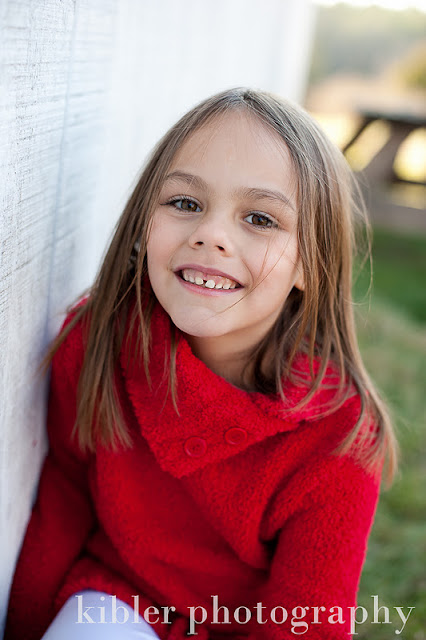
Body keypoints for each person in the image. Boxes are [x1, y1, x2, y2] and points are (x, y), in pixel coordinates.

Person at [5, 87, 398, 640]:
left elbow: (306, 622)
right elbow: (65, 497)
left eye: (259, 218)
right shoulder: (98, 342)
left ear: (310, 264)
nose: (210, 235)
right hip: (118, 601)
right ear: (144, 223)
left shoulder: (340, 438)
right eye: (185, 203)